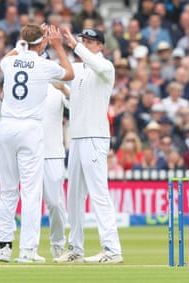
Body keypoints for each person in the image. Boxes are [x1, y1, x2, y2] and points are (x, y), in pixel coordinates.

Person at [0, 23, 74, 264]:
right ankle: (27, 250)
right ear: (42, 43)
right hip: (29, 128)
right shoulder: (44, 65)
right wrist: (58, 47)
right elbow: (69, 73)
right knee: (31, 192)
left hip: (6, 127)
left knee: (8, 189)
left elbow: (9, 55)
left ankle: (4, 248)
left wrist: (26, 42)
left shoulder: (9, 62)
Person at [54, 27, 123, 264]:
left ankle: (112, 249)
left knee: (99, 192)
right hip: (77, 138)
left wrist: (74, 45)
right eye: (83, 40)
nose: (85, 43)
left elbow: (96, 64)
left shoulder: (105, 67)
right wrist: (57, 47)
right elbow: (75, 103)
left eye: (90, 41)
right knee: (73, 196)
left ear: (100, 46)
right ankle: (76, 248)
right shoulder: (80, 68)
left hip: (95, 138)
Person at [0, 82, 71, 259]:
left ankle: (57, 243)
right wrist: (3, 96)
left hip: (51, 152)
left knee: (55, 203)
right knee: (17, 194)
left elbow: (76, 107)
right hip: (25, 152)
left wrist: (65, 89)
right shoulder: (21, 86)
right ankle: (12, 247)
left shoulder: (56, 88)